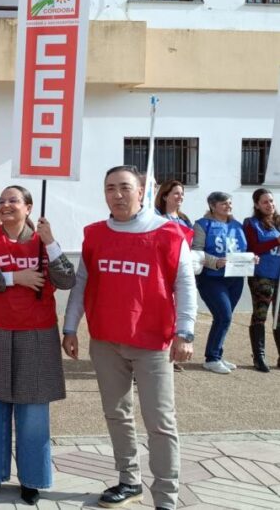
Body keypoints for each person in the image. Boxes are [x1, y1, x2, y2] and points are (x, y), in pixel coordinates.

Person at [63, 165, 197, 510]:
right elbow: (81, 283)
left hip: (153, 343)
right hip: (106, 340)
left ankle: (166, 497)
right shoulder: (95, 234)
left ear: (141, 191)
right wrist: (70, 327)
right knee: (117, 414)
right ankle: (129, 481)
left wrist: (185, 332)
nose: (117, 194)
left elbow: (185, 284)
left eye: (125, 187)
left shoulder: (169, 233)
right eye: (110, 188)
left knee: (160, 422)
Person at [0, 185, 75, 505]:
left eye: (13, 200)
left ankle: (32, 479)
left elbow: (67, 279)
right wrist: (14, 277)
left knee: (33, 413)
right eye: (1, 201)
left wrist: (51, 242)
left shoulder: (43, 241)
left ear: (28, 207)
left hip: (35, 335)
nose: (5, 205)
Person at [193, 191, 249, 375]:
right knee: (224, 316)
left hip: (235, 278)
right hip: (211, 278)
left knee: (224, 318)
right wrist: (215, 262)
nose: (228, 206)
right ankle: (212, 359)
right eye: (224, 203)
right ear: (212, 205)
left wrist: (251, 259)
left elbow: (243, 249)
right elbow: (196, 251)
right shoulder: (202, 225)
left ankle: (216, 354)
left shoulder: (237, 225)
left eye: (229, 203)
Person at [155, 180, 194, 372]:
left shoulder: (184, 219)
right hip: (160, 273)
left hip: (179, 272)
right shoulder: (157, 217)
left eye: (182, 193)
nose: (180, 197)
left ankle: (172, 353)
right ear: (165, 196)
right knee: (159, 317)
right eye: (176, 193)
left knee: (176, 316)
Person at [243, 188, 280, 373]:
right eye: (265, 202)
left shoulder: (278, 222)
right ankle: (259, 356)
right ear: (257, 205)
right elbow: (253, 248)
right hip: (262, 276)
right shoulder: (252, 223)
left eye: (271, 201)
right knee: (260, 315)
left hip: (279, 276)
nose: (269, 205)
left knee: (279, 317)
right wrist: (276, 241)